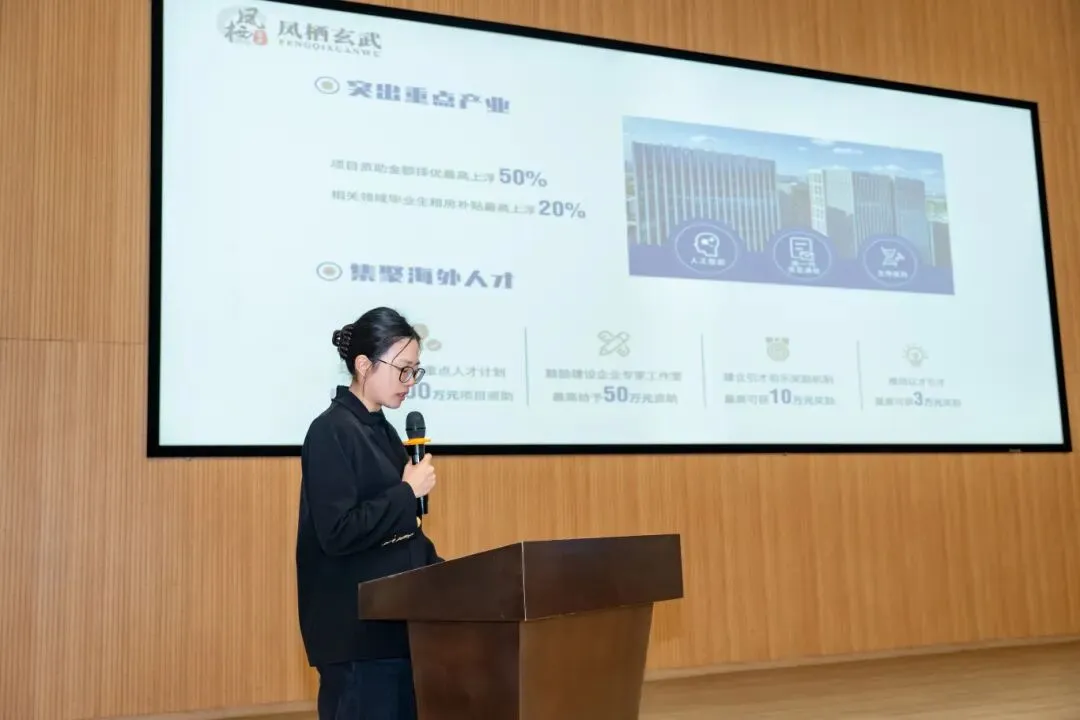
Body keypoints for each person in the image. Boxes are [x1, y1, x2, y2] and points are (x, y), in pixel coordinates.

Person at [295, 306, 442, 720]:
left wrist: (454, 576)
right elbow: (338, 532)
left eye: (415, 370)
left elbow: (400, 534)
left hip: (395, 630)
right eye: (402, 369)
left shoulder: (382, 431)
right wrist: (407, 492)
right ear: (363, 365)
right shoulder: (331, 430)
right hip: (357, 637)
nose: (409, 382)